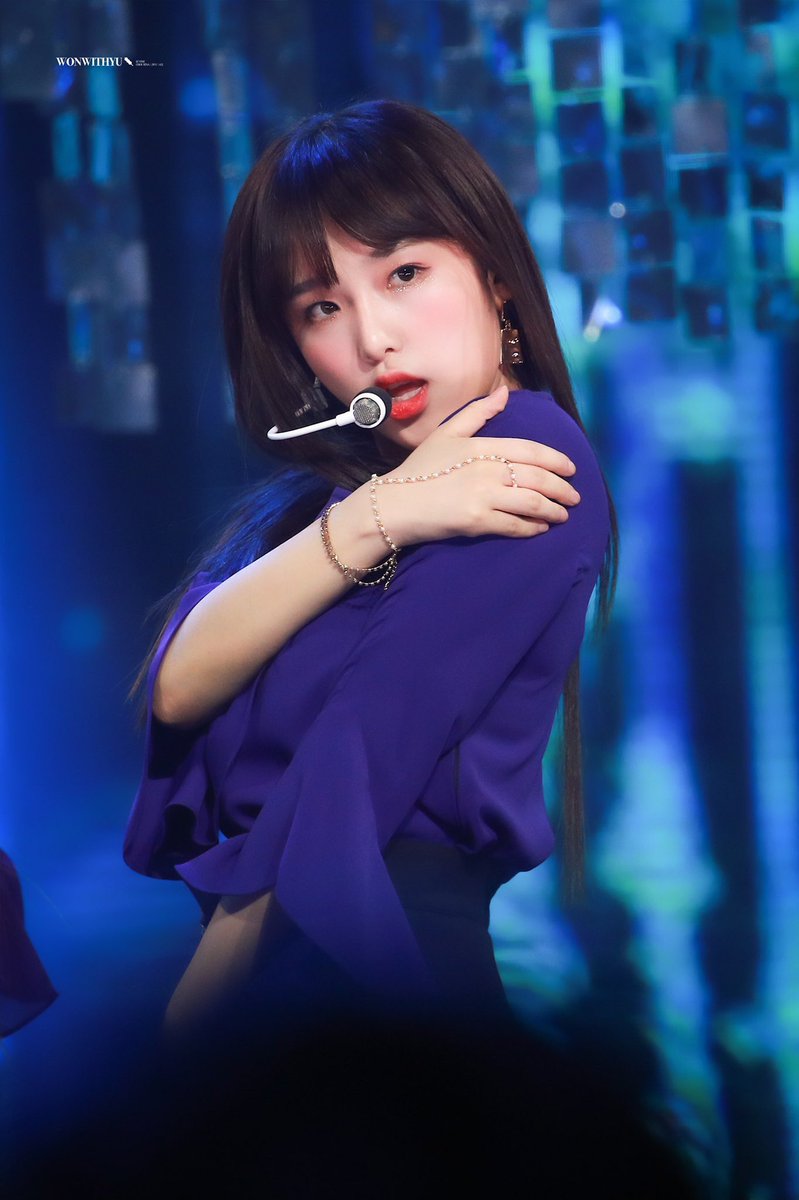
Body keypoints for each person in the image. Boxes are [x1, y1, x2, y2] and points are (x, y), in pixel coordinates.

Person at [124, 99, 618, 1036]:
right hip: (308, 978)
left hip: (370, 962)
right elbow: (178, 685)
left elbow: (357, 756)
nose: (372, 338)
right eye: (321, 306)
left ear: (494, 274)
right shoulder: (344, 500)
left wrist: (191, 1026)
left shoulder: (524, 456)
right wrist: (378, 514)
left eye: (404, 273)